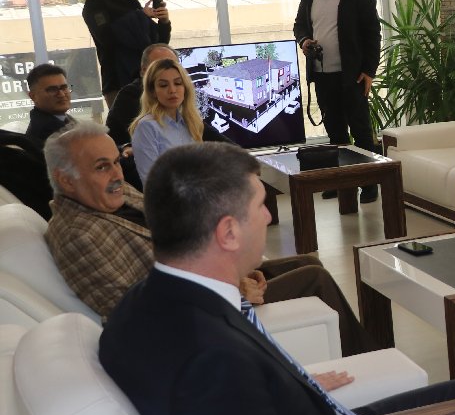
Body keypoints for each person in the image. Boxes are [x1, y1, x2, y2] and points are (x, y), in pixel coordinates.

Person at [98, 141, 455, 415]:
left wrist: (292, 383)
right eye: (260, 205)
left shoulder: (146, 302)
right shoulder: (212, 359)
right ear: (228, 233)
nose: (268, 217)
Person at [43, 121, 380, 355]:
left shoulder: (112, 197)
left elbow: (179, 237)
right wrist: (231, 289)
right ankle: (369, 359)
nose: (117, 174)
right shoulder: (78, 234)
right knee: (314, 278)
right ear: (66, 180)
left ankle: (364, 354)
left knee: (307, 261)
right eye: (102, 167)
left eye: (117, 162)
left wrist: (234, 270)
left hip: (206, 279)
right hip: (201, 309)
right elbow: (133, 310)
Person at [293, 0, 381, 203]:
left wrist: (369, 71)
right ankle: (341, 182)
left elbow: (373, 34)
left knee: (361, 130)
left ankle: (368, 183)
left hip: (352, 75)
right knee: (335, 132)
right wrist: (304, 41)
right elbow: (299, 25)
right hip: (322, 74)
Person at [82, 0, 171, 107]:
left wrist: (164, 22)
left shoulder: (133, 4)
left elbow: (157, 46)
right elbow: (107, 38)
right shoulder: (95, 4)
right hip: (118, 83)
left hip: (146, 81)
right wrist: (140, 16)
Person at [129, 57, 227, 184]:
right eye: (163, 85)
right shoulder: (146, 127)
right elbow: (152, 184)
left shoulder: (191, 122)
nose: (172, 90)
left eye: (178, 83)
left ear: (185, 87)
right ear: (153, 91)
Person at [106, 43, 178, 149]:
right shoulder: (131, 95)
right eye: (159, 67)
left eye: (173, 67)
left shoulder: (181, 93)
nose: (168, 72)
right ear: (144, 71)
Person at [24, 63, 76, 146]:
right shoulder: (47, 135)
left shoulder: (64, 121)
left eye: (64, 88)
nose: (62, 94)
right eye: (52, 90)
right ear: (33, 96)